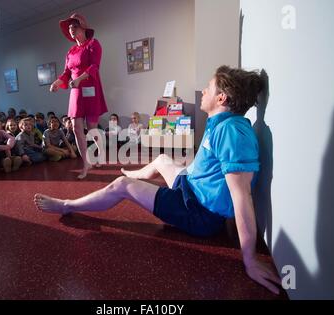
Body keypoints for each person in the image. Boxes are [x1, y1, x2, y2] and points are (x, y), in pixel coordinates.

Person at [34, 66, 281, 294]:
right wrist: (185, 169)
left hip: (197, 211)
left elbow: (241, 195)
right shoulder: (221, 123)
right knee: (163, 159)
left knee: (121, 186)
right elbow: (209, 164)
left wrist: (249, 259)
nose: (204, 90)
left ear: (221, 98)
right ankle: (134, 175)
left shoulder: (232, 132)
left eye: (209, 86)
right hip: (192, 187)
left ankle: (69, 204)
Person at [50, 13, 108, 179]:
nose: (71, 29)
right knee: (76, 127)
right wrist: (56, 83)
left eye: (75, 26)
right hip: (75, 90)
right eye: (69, 28)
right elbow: (66, 73)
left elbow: (95, 66)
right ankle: (86, 163)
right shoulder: (71, 51)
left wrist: (80, 79)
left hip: (90, 88)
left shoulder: (93, 44)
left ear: (83, 28)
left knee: (91, 128)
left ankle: (101, 149)